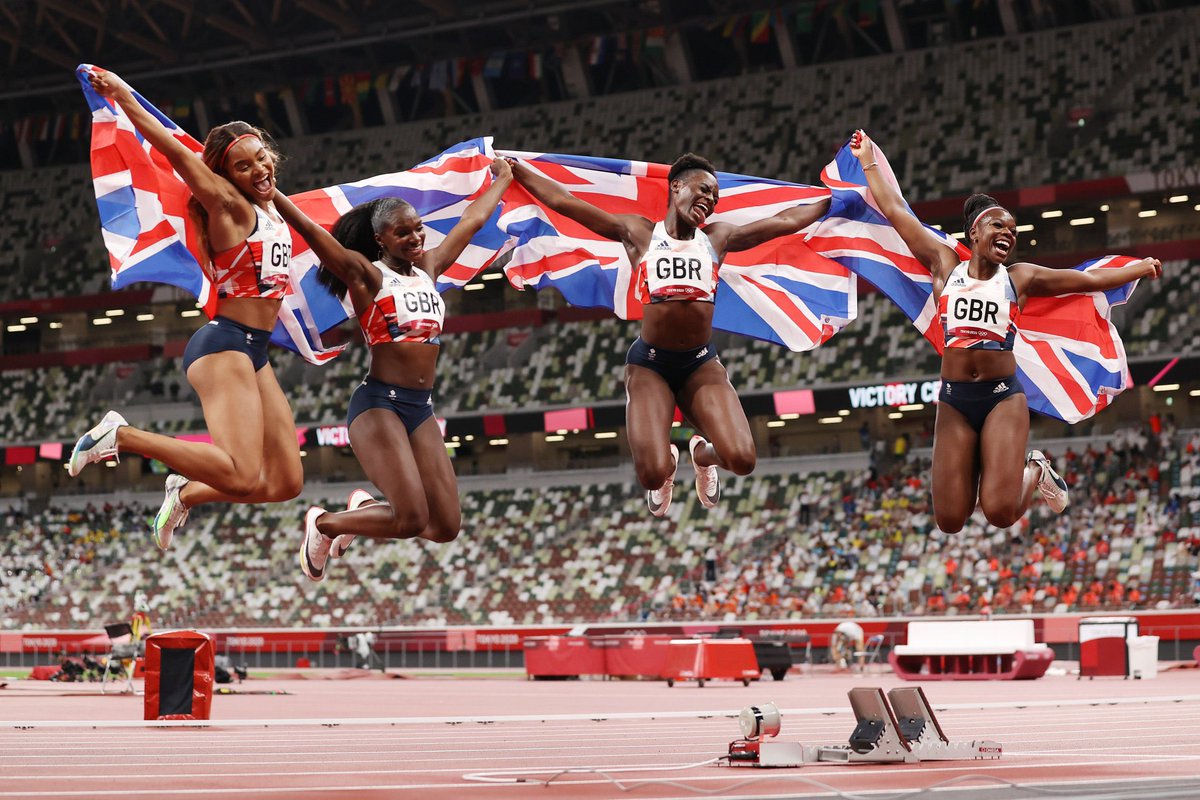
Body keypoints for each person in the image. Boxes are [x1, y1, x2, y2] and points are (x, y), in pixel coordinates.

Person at [849, 130, 1161, 533]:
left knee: (999, 512)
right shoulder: (944, 265)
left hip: (1001, 398)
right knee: (949, 520)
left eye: (1013, 231)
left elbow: (1085, 280)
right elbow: (895, 210)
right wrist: (868, 159)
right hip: (955, 400)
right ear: (974, 234)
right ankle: (1000, 465)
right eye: (999, 226)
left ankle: (1036, 468)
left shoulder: (1019, 277)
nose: (1008, 234)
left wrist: (1139, 267)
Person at [509, 154, 830, 516]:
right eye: (703, 190)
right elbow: (566, 202)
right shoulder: (640, 233)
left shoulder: (717, 238)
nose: (710, 200)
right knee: (651, 474)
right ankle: (668, 466)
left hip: (700, 365)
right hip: (651, 366)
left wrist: (834, 200)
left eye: (715, 197)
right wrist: (517, 171)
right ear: (676, 186)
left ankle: (702, 455)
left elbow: (785, 221)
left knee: (742, 459)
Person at [68, 69, 303, 548]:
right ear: (225, 176)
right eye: (243, 166)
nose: (259, 170)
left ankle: (185, 492)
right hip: (224, 345)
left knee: (285, 483)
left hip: (254, 351)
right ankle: (121, 436)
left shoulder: (272, 208)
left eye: (261, 157)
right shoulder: (229, 207)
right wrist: (124, 95)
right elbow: (176, 153)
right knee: (241, 474)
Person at [272, 159, 512, 581]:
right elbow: (311, 231)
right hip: (379, 405)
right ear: (380, 239)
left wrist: (504, 178)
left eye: (418, 228)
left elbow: (472, 221)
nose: (416, 237)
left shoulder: (429, 269)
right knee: (410, 518)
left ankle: (363, 510)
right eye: (403, 232)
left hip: (420, 408)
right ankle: (324, 524)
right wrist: (270, 192)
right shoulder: (367, 276)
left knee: (445, 525)